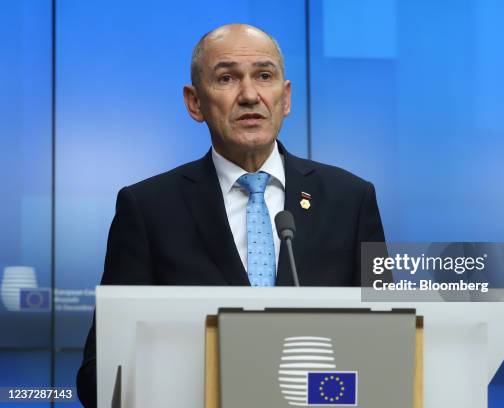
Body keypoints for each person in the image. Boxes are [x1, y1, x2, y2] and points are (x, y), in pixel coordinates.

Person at [76, 23, 385, 407]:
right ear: (195, 102)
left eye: (264, 76)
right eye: (227, 78)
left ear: (285, 98)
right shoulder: (147, 208)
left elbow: (387, 343)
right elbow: (101, 373)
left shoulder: (351, 199)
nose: (250, 95)